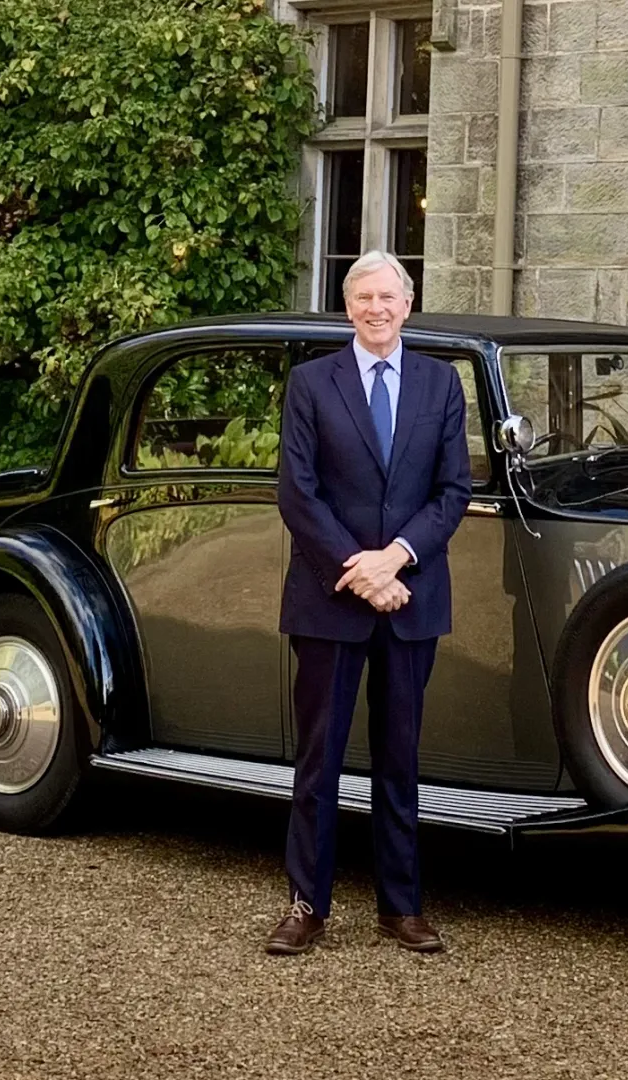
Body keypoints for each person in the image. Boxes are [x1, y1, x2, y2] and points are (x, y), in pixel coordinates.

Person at [265, 250, 470, 955]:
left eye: (387, 297)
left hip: (412, 594)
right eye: (362, 298)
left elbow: (453, 492)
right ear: (347, 308)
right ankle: (306, 905)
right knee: (319, 758)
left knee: (400, 756)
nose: (375, 309)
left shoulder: (441, 385)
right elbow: (297, 491)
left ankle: (402, 905)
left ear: (407, 305)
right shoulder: (310, 384)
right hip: (332, 598)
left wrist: (397, 558)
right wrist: (360, 569)